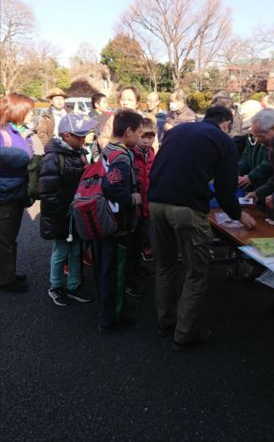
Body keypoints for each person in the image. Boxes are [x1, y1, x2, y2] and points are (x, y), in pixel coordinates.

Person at [148, 105, 256, 351]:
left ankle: (165, 322)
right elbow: (226, 189)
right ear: (226, 122)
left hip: (155, 203)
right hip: (187, 210)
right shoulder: (223, 141)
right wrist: (239, 215)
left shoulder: (177, 131)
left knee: (165, 266)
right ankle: (185, 334)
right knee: (195, 272)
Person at [39, 113, 96, 306]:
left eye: (84, 135)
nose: (83, 139)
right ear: (65, 136)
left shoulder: (79, 154)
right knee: (61, 252)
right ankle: (55, 286)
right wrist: (61, 216)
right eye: (78, 136)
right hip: (61, 215)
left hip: (76, 213)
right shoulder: (53, 158)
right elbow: (48, 193)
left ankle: (74, 285)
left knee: (77, 251)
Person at [97, 110, 144, 333]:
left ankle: (110, 313)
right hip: (117, 222)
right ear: (128, 132)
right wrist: (131, 199)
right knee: (115, 270)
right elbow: (111, 185)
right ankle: (111, 318)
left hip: (105, 216)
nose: (140, 136)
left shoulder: (109, 149)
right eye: (139, 132)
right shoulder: (122, 156)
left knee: (108, 267)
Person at [0, 93, 34, 292]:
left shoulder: (15, 130)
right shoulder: (4, 133)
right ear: (17, 111)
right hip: (5, 195)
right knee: (4, 240)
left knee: (9, 238)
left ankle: (8, 273)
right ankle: (5, 280)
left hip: (15, 193)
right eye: (29, 111)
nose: (32, 114)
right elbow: (24, 157)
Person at [125, 117, 156, 297]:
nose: (146, 141)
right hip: (133, 206)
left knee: (141, 239)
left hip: (147, 204)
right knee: (131, 243)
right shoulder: (130, 153)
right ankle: (128, 280)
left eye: (150, 137)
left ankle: (138, 268)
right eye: (143, 136)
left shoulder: (152, 153)